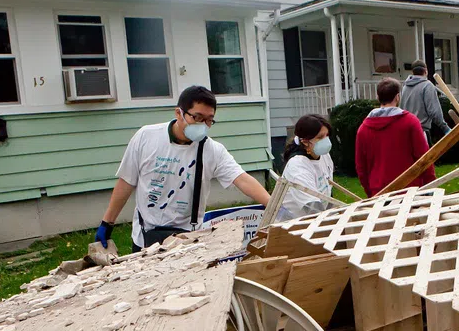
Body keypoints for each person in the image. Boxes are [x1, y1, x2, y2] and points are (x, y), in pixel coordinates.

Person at [95, 85, 270, 252]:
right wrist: (107, 223)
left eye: (209, 120)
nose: (203, 125)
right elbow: (126, 182)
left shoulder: (212, 150)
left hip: (188, 239)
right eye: (198, 117)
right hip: (145, 237)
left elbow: (242, 179)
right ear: (179, 113)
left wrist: (274, 206)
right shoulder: (146, 137)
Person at [355, 78, 435, 197]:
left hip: (379, 191)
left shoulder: (363, 129)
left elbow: (361, 166)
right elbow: (423, 157)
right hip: (409, 190)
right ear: (398, 97)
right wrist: (430, 183)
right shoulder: (410, 122)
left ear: (378, 97)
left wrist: (370, 191)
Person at [278, 114, 334, 221]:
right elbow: (313, 210)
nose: (326, 140)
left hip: (314, 220)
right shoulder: (297, 166)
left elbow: (328, 192)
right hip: (292, 225)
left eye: (327, 135)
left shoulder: (324, 155)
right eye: (320, 137)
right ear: (305, 142)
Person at [400, 60, 450, 144]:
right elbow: (434, 111)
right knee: (426, 157)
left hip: (406, 132)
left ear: (412, 72)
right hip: (421, 132)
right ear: (426, 71)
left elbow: (401, 109)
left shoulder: (405, 87)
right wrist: (445, 127)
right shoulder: (427, 85)